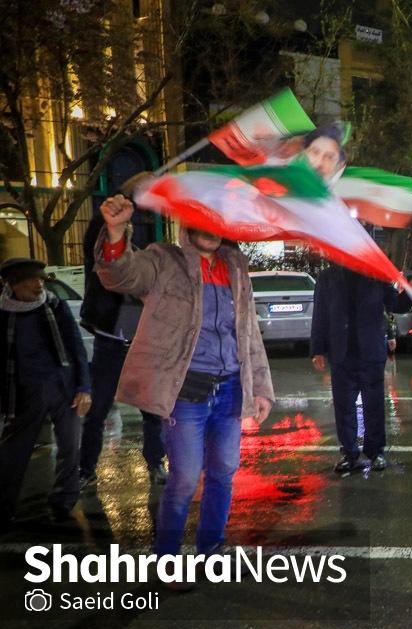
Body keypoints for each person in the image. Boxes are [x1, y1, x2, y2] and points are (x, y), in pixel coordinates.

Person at [96, 195, 273, 567]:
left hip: (230, 389)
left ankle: (212, 548)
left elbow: (249, 332)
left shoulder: (235, 266)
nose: (210, 230)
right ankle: (167, 559)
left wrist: (260, 387)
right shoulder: (164, 260)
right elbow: (121, 274)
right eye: (202, 221)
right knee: (184, 479)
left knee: (223, 473)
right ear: (188, 224)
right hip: (186, 392)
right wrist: (115, 231)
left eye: (217, 222)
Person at [78, 185, 166, 487]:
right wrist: (125, 195)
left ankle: (155, 462)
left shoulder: (146, 261)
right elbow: (98, 233)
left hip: (141, 345)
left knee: (152, 411)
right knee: (98, 410)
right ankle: (86, 469)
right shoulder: (104, 255)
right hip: (111, 343)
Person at [0, 258, 92, 528]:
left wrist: (84, 388)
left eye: (41, 279)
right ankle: (4, 508)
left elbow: (76, 348)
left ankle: (63, 502)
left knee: (70, 447)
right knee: (13, 452)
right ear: (13, 284)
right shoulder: (4, 313)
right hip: (25, 391)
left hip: (64, 387)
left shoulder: (54, 305)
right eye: (32, 280)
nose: (39, 284)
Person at [310, 268, 412, 473]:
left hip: (370, 352)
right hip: (341, 353)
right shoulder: (327, 277)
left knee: (374, 406)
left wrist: (411, 290)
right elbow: (320, 314)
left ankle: (376, 452)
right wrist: (317, 349)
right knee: (343, 408)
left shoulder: (377, 274)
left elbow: (396, 305)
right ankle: (349, 454)